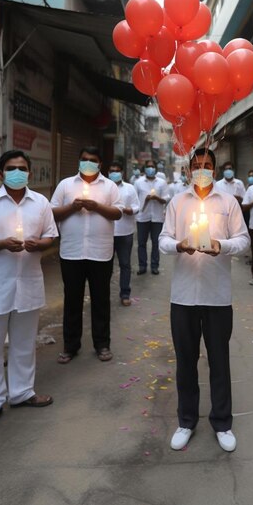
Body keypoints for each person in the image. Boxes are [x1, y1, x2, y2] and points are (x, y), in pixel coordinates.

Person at [159, 148, 250, 452]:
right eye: (197, 165)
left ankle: (222, 422)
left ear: (215, 169)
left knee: (219, 360)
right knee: (185, 360)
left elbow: (243, 240)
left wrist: (220, 245)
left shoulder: (228, 202)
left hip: (217, 295)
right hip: (183, 295)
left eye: (207, 165)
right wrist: (179, 245)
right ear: (188, 170)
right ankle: (186, 420)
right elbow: (163, 240)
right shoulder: (177, 202)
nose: (202, 170)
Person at [0, 150, 57, 429]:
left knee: (24, 343)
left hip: (28, 282)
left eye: (21, 168)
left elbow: (51, 236)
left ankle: (22, 393)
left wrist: (39, 244)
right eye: (10, 168)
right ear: (0, 173)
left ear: (29, 172)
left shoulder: (40, 203)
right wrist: (2, 244)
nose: (16, 172)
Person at [51, 147, 123, 364]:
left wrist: (97, 206)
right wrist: (72, 208)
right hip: (71, 252)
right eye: (84, 159)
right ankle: (71, 345)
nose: (88, 163)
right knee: (72, 300)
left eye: (92, 160)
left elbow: (118, 212)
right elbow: (51, 212)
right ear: (79, 161)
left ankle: (102, 344)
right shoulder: (65, 185)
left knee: (101, 299)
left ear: (100, 164)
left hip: (100, 252)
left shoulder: (109, 186)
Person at [108, 161, 140, 307]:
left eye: (117, 170)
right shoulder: (103, 188)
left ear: (122, 173)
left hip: (125, 232)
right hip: (106, 232)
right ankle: (103, 294)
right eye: (111, 170)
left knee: (125, 264)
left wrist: (129, 210)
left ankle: (125, 293)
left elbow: (136, 207)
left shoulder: (130, 189)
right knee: (105, 265)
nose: (114, 173)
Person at [134, 159, 168, 275]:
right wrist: (146, 200)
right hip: (142, 217)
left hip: (157, 218)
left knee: (155, 243)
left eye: (152, 167)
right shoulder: (138, 182)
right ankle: (142, 266)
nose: (150, 169)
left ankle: (154, 266)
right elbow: (135, 200)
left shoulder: (162, 183)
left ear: (156, 169)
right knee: (141, 243)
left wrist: (156, 198)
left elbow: (166, 198)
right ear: (145, 169)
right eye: (148, 166)